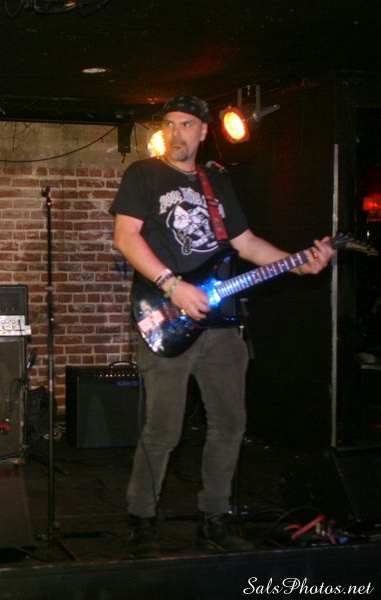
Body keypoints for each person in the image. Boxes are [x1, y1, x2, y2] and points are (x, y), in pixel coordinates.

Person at [109, 95, 334, 558]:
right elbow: (125, 237)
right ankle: (142, 520)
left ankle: (214, 518)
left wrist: (297, 264)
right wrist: (172, 285)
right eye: (169, 123)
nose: (175, 132)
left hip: (222, 324)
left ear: (203, 131)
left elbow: (245, 243)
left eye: (185, 124)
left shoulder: (218, 181)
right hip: (166, 316)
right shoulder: (143, 174)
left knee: (230, 424)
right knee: (162, 430)